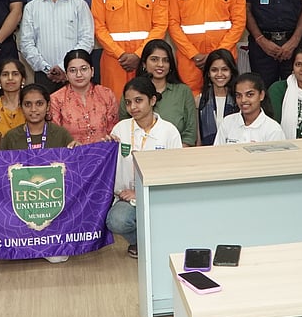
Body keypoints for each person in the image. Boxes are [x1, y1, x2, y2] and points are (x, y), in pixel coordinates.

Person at [107, 76, 184, 258]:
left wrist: (141, 193)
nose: (133, 107)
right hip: (126, 197)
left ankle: (157, 242)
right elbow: (109, 166)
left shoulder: (169, 131)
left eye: (138, 100)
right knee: (116, 221)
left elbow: (176, 172)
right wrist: (106, 148)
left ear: (153, 100)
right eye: (128, 102)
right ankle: (141, 243)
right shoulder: (120, 129)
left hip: (159, 197)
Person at [20, 0, 94, 94]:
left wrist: (65, 67)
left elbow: (87, 40)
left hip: (74, 75)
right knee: (45, 115)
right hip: (43, 76)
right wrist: (47, 68)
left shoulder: (79, 5)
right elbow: (26, 44)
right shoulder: (31, 7)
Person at [125, 39, 198, 147]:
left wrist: (172, 154)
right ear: (144, 63)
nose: (160, 64)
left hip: (176, 155)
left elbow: (190, 133)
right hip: (138, 154)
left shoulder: (183, 92)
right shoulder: (131, 91)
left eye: (166, 60)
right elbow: (125, 129)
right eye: (154, 59)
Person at [49, 49, 118, 145]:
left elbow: (114, 131)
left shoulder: (106, 94)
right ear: (66, 75)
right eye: (73, 70)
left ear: (92, 71)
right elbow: (55, 136)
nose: (79, 74)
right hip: (70, 156)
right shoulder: (55, 99)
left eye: (84, 69)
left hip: (103, 154)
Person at [0, 84, 75, 150]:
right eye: (28, 104)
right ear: (21, 108)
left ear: (48, 106)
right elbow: (0, 163)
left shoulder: (61, 134)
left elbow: (74, 162)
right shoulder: (11, 137)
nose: (33, 109)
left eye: (39, 104)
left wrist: (78, 149)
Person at [214, 73, 284, 144]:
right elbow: (217, 152)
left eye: (249, 95)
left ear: (261, 95)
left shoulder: (273, 129)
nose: (243, 100)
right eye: (238, 95)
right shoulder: (227, 122)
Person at [197, 48, 239, 146]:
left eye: (224, 69)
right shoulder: (199, 101)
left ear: (231, 72)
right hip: (208, 154)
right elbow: (198, 140)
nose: (219, 74)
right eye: (214, 70)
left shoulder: (240, 100)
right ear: (208, 73)